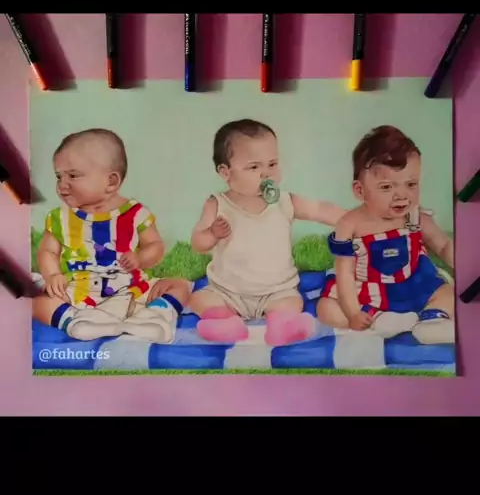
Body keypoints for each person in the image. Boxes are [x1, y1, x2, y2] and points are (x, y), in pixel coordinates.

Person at [182, 119, 346, 346]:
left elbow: (319, 210)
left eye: (272, 164)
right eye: (254, 167)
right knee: (200, 299)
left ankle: (283, 326)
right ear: (225, 172)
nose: (266, 174)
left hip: (277, 291)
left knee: (292, 302)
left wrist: (354, 220)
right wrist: (212, 233)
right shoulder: (218, 204)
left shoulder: (284, 201)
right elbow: (198, 242)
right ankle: (224, 322)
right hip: (228, 291)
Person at [33, 128, 191, 342]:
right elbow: (48, 251)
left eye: (73, 175)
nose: (62, 185)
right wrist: (53, 275)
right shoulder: (60, 218)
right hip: (79, 292)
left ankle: (154, 316)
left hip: (132, 289)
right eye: (58, 176)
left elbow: (155, 246)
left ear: (111, 182)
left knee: (180, 286)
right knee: (36, 301)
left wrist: (140, 258)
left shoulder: (135, 214)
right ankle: (74, 320)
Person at [317, 125, 454, 344]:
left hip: (413, 282)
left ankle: (433, 320)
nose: (401, 195)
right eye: (387, 187)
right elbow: (345, 273)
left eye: (411, 184)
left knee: (448, 292)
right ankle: (380, 320)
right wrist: (352, 313)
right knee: (326, 308)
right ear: (360, 191)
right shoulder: (350, 224)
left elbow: (444, 245)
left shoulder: (415, 216)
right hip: (368, 290)